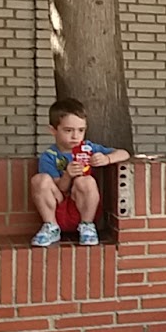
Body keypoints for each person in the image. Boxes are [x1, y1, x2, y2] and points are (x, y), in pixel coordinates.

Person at [30, 98, 131, 247]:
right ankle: (50, 227)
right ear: (53, 130)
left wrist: (107, 158)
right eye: (68, 130)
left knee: (86, 180)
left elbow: (124, 153)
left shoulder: (88, 148)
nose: (75, 136)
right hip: (57, 209)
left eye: (81, 130)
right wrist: (68, 175)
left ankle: (87, 226)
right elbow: (61, 188)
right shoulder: (50, 156)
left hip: (83, 207)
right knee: (39, 180)